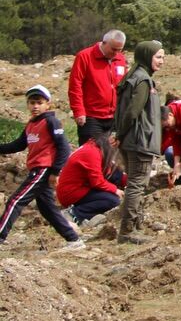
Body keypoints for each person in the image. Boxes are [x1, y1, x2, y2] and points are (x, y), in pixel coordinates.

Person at [0, 85, 81, 249]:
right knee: (47, 208)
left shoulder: (51, 121)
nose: (35, 106)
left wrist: (56, 171)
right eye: (31, 102)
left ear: (47, 104)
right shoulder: (31, 124)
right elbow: (18, 145)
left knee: (15, 201)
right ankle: (74, 240)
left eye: (39, 102)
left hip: (43, 169)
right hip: (37, 169)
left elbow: (64, 147)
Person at [114, 41, 164, 244]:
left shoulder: (131, 77)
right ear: (147, 57)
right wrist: (119, 133)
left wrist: (119, 134)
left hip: (130, 139)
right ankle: (127, 231)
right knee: (136, 184)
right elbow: (133, 112)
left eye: (163, 57)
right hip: (139, 140)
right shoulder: (143, 81)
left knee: (136, 183)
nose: (162, 61)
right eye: (158, 57)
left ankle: (136, 225)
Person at [68, 29, 129, 143]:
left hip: (113, 117)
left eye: (119, 50)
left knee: (110, 155)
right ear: (104, 43)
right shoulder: (85, 56)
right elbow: (75, 85)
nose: (116, 53)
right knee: (92, 153)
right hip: (91, 117)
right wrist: (79, 111)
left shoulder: (120, 59)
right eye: (113, 49)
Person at [57, 130, 126, 227]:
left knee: (116, 173)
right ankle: (74, 213)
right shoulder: (91, 153)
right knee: (113, 201)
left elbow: (111, 172)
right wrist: (115, 190)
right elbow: (97, 181)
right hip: (72, 192)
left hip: (81, 187)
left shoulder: (94, 147)